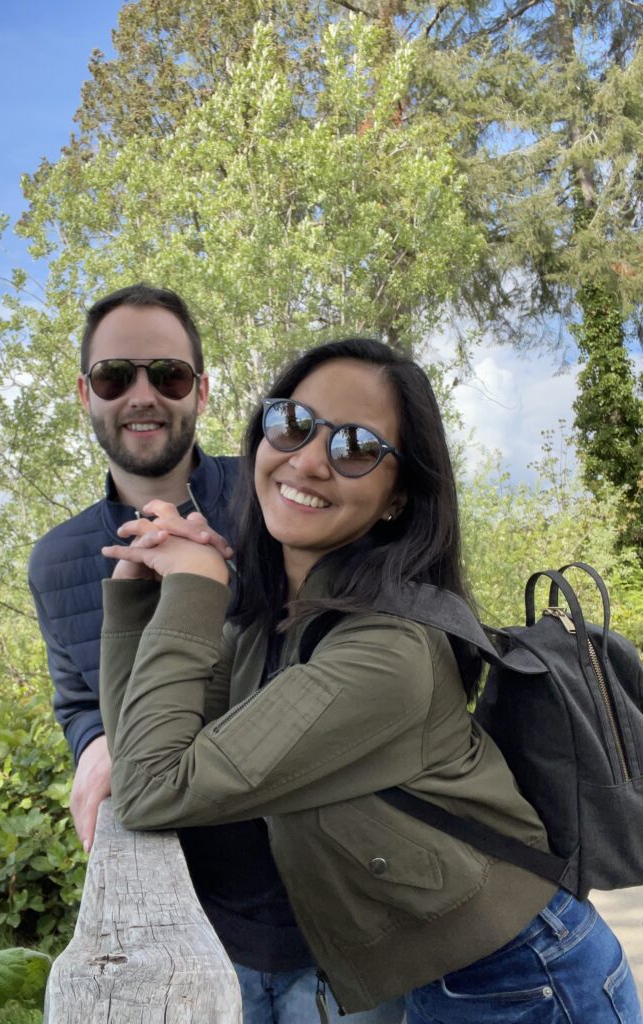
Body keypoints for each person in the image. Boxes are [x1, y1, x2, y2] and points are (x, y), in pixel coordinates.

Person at [98, 336, 642, 1024]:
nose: (308, 459)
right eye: (292, 423)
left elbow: (153, 790)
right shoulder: (277, 628)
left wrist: (196, 587)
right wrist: (138, 596)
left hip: (523, 980)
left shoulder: (389, 652)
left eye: (355, 447)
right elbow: (140, 752)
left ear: (396, 497)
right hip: (438, 982)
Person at [29, 291, 402, 1022]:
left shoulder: (282, 493)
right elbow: (74, 698)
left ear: (200, 390)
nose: (142, 396)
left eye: (167, 375)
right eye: (114, 377)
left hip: (345, 917)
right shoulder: (58, 560)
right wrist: (96, 743)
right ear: (85, 394)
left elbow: (357, 655)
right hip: (200, 925)